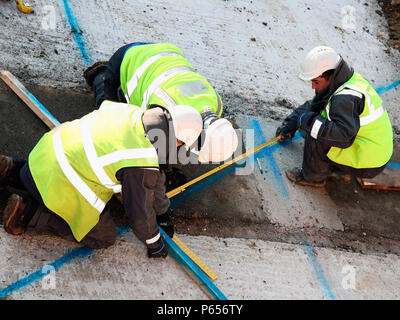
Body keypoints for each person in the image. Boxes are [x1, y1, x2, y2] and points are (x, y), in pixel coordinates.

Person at [0, 100, 203, 259]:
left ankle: (13, 170)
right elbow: (139, 215)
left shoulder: (130, 112)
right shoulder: (140, 163)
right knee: (103, 237)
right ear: (177, 140)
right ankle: (27, 214)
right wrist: (155, 243)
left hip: (42, 155)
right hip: (58, 182)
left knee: (71, 164)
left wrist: (160, 205)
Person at [83, 42, 238, 165]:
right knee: (110, 118)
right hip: (126, 60)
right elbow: (139, 140)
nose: (193, 149)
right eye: (197, 147)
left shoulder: (216, 105)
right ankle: (99, 75)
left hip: (162, 52)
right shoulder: (164, 107)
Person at [276, 46, 393, 187]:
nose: (313, 86)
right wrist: (291, 123)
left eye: (316, 82)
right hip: (370, 147)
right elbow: (314, 105)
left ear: (329, 76)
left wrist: (307, 122)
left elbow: (343, 137)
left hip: (369, 160)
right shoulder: (343, 81)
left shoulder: (345, 98)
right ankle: (338, 171)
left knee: (316, 130)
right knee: (312, 122)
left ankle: (313, 178)